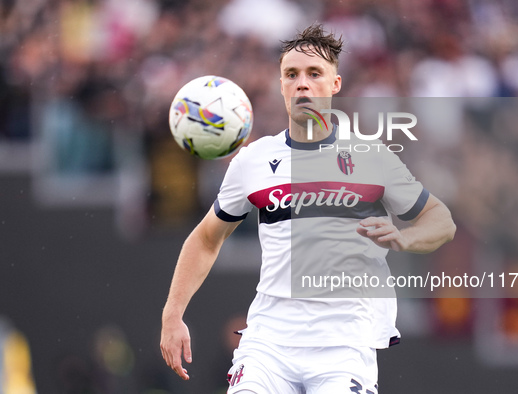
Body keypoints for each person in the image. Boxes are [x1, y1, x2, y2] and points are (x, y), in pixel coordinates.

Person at [160, 24, 456, 393]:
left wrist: (406, 236)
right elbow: (206, 239)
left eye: (314, 74)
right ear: (281, 85)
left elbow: (441, 221)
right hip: (269, 341)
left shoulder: (372, 157)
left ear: (335, 84)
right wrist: (173, 313)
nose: (302, 83)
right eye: (291, 75)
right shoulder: (253, 161)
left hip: (344, 343)